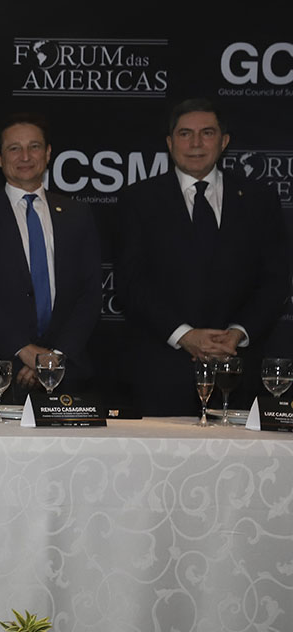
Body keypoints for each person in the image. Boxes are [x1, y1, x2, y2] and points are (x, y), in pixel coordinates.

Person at [117, 98, 290, 415]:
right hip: (161, 373)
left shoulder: (259, 199)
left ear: (224, 141)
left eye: (207, 133)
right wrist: (185, 335)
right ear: (170, 142)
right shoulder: (138, 200)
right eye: (185, 134)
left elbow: (275, 281)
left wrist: (237, 334)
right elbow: (131, 284)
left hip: (237, 370)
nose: (195, 143)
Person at [0, 113, 101, 393]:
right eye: (14, 148)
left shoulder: (77, 214)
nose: (25, 156)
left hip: (67, 371)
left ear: (48, 153)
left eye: (34, 147)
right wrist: (24, 351)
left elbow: (90, 293)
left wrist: (54, 358)